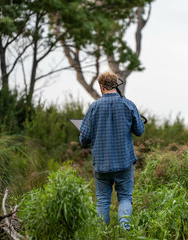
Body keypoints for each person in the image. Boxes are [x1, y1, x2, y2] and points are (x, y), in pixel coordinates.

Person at [79, 71, 145, 230]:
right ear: (116, 85)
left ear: (101, 87)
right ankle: (125, 232)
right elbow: (139, 131)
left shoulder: (94, 107)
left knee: (102, 200)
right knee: (125, 198)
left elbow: (84, 140)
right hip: (124, 163)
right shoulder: (128, 104)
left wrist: (82, 133)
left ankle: (102, 234)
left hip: (101, 164)